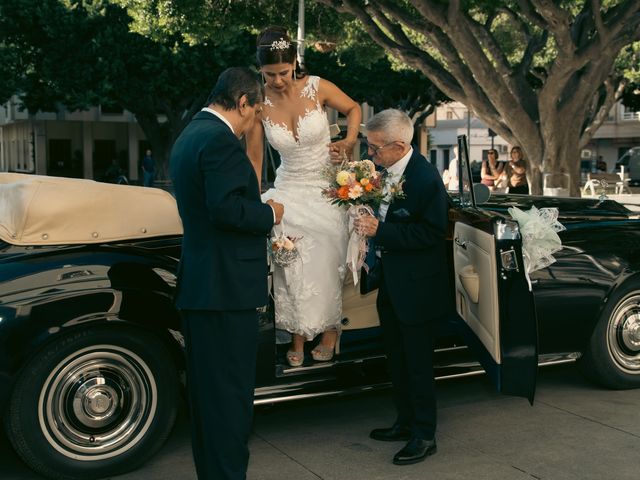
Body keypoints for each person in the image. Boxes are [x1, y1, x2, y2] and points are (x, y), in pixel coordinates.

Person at [170, 67, 284, 480]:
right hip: (224, 293)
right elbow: (229, 210)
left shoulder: (190, 134)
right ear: (242, 103)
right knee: (231, 401)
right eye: (254, 113)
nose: (253, 123)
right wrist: (269, 212)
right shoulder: (220, 142)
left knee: (207, 401)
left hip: (202, 287)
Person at [247, 26, 362, 367]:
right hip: (289, 186)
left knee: (329, 244)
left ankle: (329, 330)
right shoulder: (259, 104)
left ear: (294, 63)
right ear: (260, 71)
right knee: (289, 250)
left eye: (282, 72)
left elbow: (353, 108)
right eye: (270, 74)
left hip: (327, 185)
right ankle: (297, 334)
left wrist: (349, 141)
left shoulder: (317, 87)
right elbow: (255, 158)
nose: (278, 80)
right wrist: (256, 202)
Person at [354, 109, 450, 466]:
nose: (370, 155)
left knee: (419, 364)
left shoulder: (426, 179)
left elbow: (432, 232)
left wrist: (383, 232)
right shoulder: (384, 172)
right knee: (395, 358)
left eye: (375, 149)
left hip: (418, 287)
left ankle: (424, 434)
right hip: (392, 283)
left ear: (398, 145)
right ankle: (404, 421)